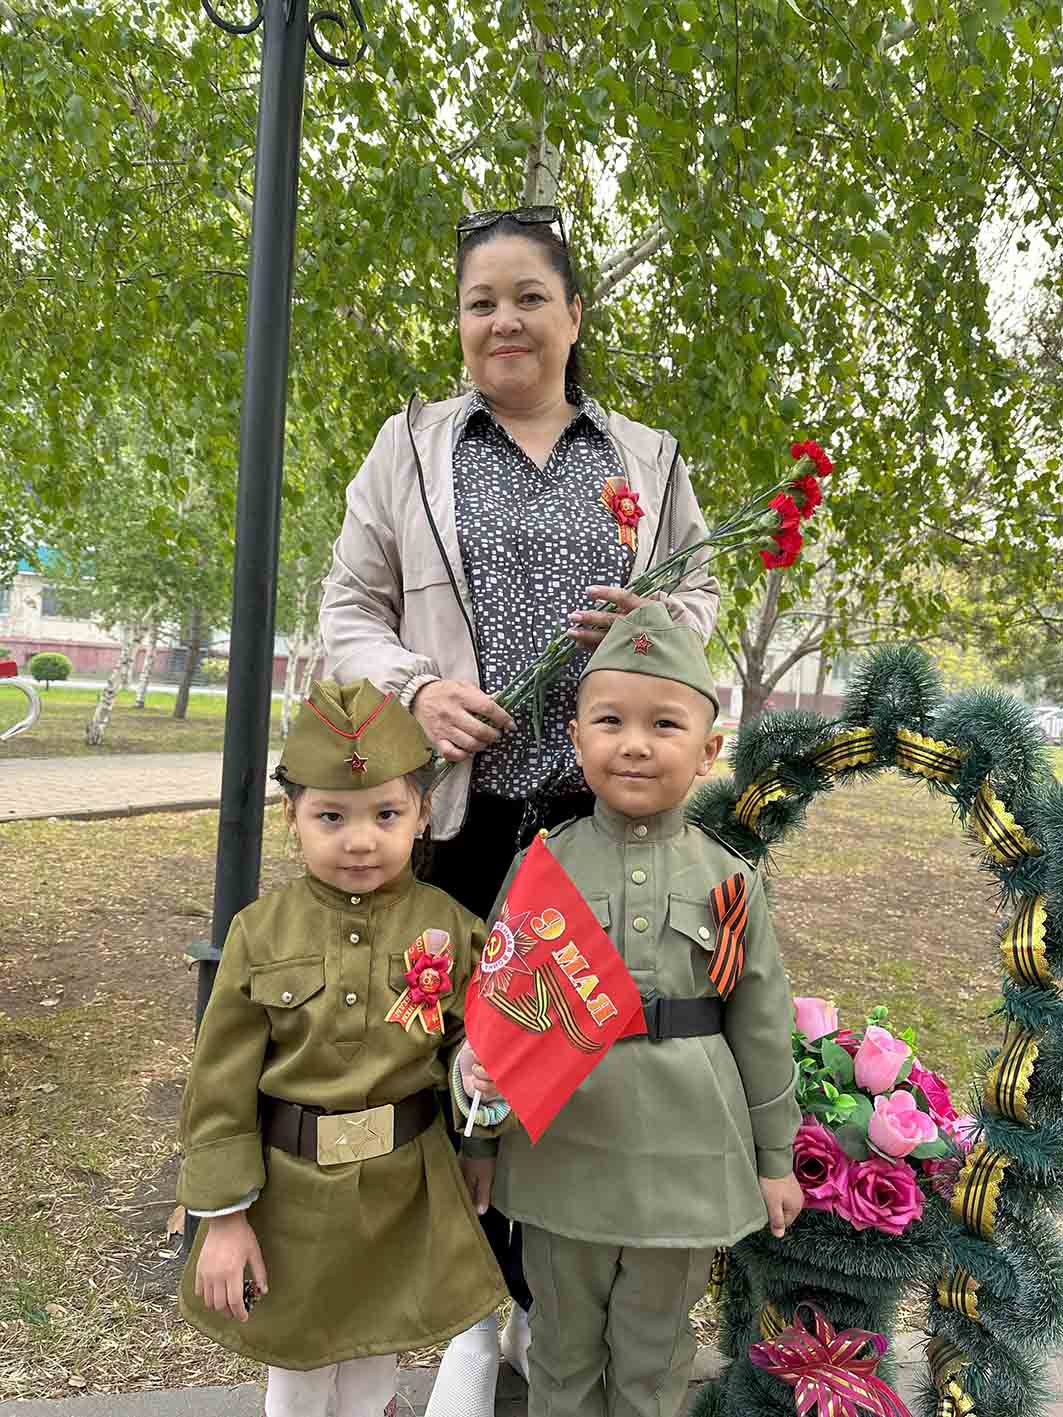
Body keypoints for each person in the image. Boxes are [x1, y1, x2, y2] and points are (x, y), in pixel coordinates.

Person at [318, 205, 721, 1402]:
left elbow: (696, 589)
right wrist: (419, 690)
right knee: (454, 1063)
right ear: (461, 322)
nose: (502, 319)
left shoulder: (642, 458)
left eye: (528, 296)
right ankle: (465, 1314)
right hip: (465, 814)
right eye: (480, 299)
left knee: (578, 1064)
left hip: (602, 822)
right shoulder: (411, 449)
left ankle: (559, 1318)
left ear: (573, 314)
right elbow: (346, 611)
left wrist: (649, 626)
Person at [457, 601, 804, 1417]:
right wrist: (478, 1140)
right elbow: (497, 1017)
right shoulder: (543, 867)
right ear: (577, 740)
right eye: (609, 719)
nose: (635, 743)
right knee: (561, 1353)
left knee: (652, 1363)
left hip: (685, 1159)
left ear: (709, 750)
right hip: (562, 1151)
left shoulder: (728, 879)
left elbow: (759, 1022)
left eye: (664, 723)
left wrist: (776, 1157)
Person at [176, 679, 507, 1417]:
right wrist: (223, 1217)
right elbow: (219, 1084)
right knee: (296, 1384)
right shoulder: (260, 933)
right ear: (292, 818)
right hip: (289, 1199)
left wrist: (478, 1126)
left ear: (422, 813)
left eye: (386, 813)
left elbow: (468, 1046)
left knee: (371, 1376)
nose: (360, 838)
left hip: (400, 1191)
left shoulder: (453, 927)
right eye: (331, 815)